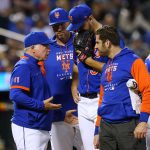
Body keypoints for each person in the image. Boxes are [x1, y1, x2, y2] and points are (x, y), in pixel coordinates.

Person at [86, 25, 150, 150]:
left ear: (108, 43)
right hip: (106, 127)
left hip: (128, 126)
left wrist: (143, 122)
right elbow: (102, 100)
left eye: (98, 42)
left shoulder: (133, 61)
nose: (95, 47)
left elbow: (147, 90)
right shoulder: (105, 67)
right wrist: (97, 130)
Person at [9, 31, 62, 150]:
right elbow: (15, 95)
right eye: (45, 46)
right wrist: (41, 105)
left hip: (39, 126)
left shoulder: (36, 65)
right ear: (32, 48)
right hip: (28, 126)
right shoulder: (24, 66)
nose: (49, 49)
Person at [67, 4, 108, 150]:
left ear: (90, 18)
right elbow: (77, 66)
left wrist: (87, 59)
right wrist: (74, 84)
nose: (77, 28)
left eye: (80, 24)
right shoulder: (79, 36)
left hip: (101, 99)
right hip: (83, 102)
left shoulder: (108, 36)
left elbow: (112, 69)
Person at [44, 8, 84, 150]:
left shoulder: (81, 40)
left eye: (62, 24)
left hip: (83, 108)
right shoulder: (47, 48)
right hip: (58, 111)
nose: (59, 28)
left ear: (68, 23)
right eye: (55, 25)